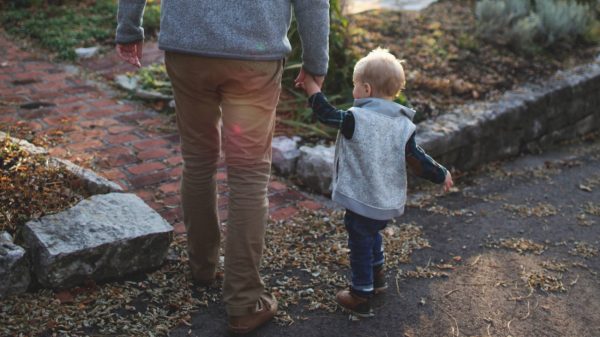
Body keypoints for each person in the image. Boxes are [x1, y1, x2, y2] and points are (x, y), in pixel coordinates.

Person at [115, 1, 330, 334]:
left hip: (188, 48)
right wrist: (316, 61)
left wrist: (129, 28)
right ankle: (244, 303)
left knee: (198, 161)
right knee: (249, 177)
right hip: (253, 55)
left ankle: (202, 267)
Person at [299, 47, 454, 317]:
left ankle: (360, 294)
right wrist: (441, 173)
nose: (353, 92)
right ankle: (378, 276)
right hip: (385, 200)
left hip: (361, 197)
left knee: (359, 239)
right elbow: (417, 159)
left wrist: (311, 86)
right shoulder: (402, 125)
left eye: (355, 86)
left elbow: (325, 113)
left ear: (367, 89)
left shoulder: (356, 119)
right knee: (372, 233)